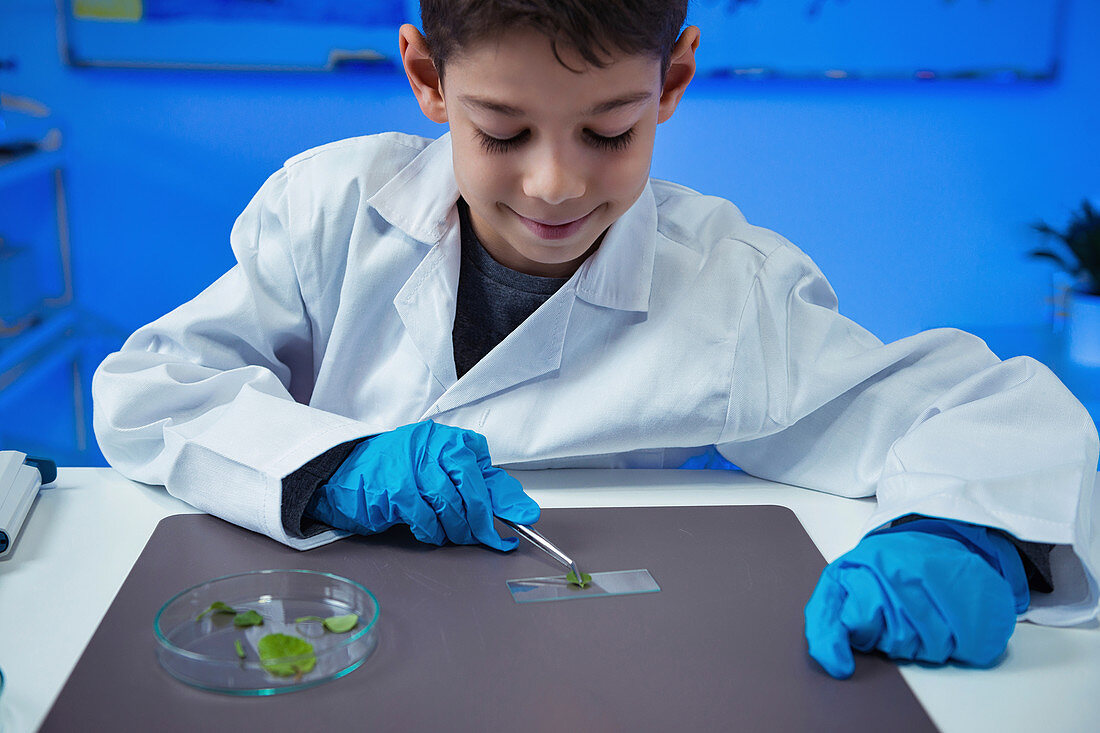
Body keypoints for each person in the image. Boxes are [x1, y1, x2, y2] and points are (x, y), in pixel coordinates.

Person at [92, 0, 1099, 680]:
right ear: (425, 76)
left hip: (596, 674)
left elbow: (976, 408)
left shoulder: (725, 287)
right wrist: (332, 465)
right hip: (340, 642)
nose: (556, 186)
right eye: (502, 131)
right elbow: (148, 389)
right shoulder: (328, 212)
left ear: (671, 80)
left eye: (608, 133)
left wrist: (967, 533)